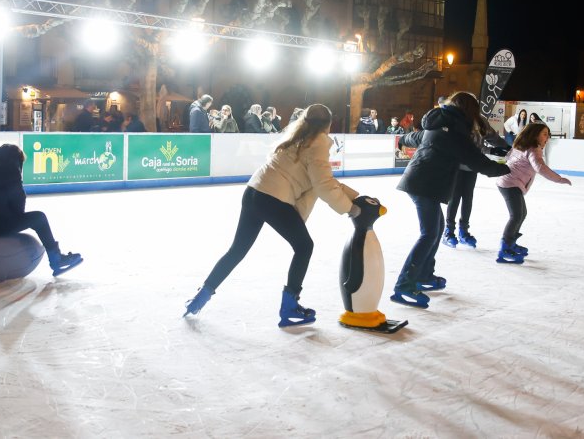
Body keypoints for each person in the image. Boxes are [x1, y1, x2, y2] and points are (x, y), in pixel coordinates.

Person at [184, 104, 374, 327]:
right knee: (304, 246)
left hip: (254, 191)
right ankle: (290, 306)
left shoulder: (296, 136)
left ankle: (200, 297)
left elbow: (323, 181)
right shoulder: (319, 142)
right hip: (273, 198)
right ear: (328, 125)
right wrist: (352, 209)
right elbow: (323, 185)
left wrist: (354, 197)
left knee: (237, 249)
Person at [394, 92, 510, 307]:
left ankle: (425, 275)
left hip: (424, 182)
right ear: (470, 111)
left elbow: (418, 137)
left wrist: (403, 139)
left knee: (435, 231)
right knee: (429, 234)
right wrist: (506, 168)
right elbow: (477, 161)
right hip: (423, 184)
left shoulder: (441, 122)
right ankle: (405, 284)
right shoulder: (454, 131)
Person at [0, 144, 83, 275]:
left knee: (35, 218)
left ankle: (56, 257)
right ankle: (56, 258)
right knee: (39, 218)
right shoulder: (11, 174)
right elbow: (19, 209)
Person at [494, 122, 572, 264]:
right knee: (517, 215)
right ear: (535, 134)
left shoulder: (521, 144)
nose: (547, 138)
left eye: (548, 135)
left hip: (508, 182)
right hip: (510, 183)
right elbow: (540, 167)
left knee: (521, 214)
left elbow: (508, 159)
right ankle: (504, 247)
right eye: (544, 134)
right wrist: (559, 179)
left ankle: (510, 243)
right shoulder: (533, 148)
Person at [444, 109, 508, 249]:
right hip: (457, 166)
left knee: (468, 198)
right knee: (454, 199)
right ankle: (448, 231)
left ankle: (464, 231)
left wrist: (502, 148)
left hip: (472, 168)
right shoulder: (457, 120)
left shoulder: (480, 121)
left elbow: (480, 146)